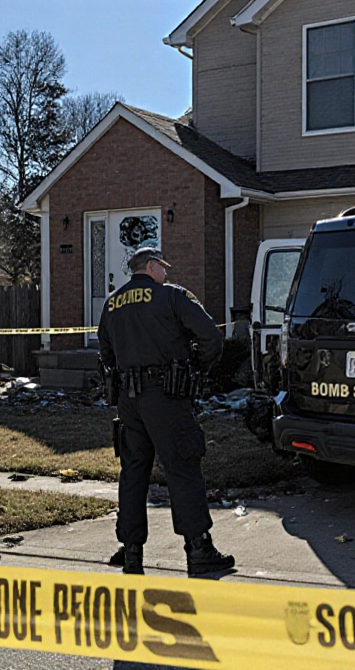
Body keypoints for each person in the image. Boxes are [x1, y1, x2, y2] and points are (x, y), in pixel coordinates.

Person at [98, 247, 233, 577]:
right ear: (150, 266)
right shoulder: (172, 296)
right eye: (163, 267)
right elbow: (211, 337)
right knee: (183, 466)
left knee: (133, 472)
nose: (166, 273)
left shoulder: (112, 303)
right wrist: (197, 370)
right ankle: (199, 549)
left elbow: (106, 353)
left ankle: (131, 552)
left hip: (128, 400)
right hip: (166, 396)